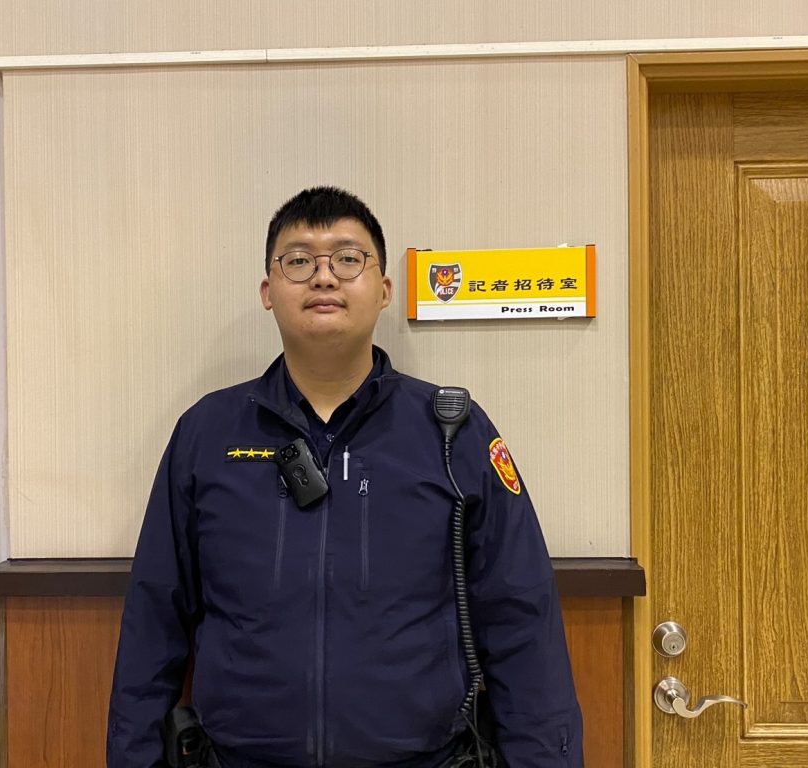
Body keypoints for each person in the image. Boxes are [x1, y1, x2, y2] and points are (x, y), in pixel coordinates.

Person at [107, 187, 583, 768]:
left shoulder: (452, 431)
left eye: (349, 258)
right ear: (268, 291)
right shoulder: (206, 433)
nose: (324, 276)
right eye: (299, 260)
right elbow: (154, 617)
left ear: (384, 290)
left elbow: (521, 617)